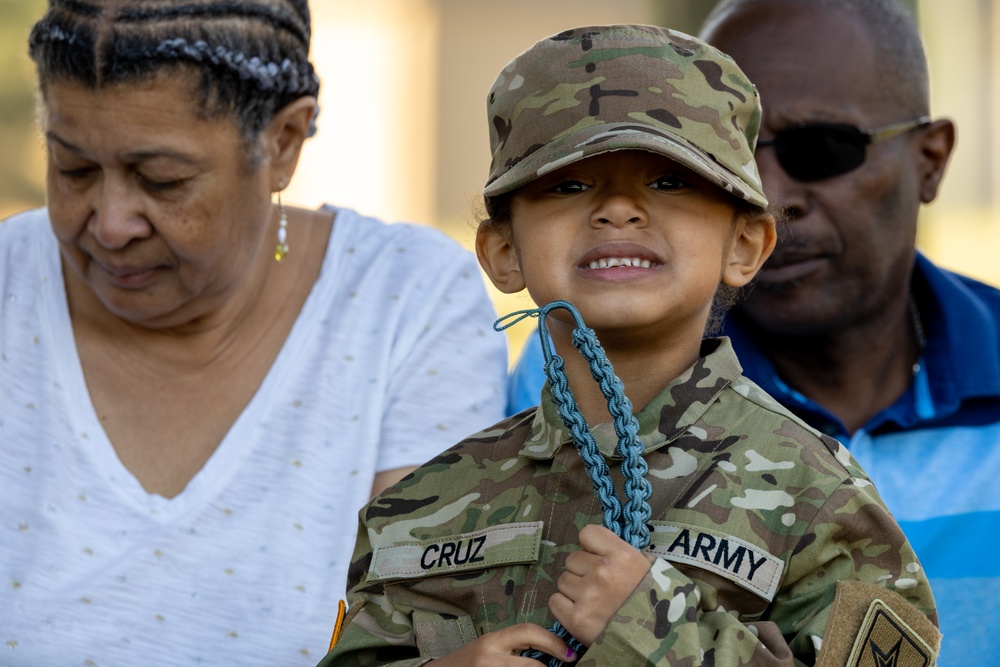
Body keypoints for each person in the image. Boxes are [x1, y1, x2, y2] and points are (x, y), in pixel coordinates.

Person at [320, 24, 942, 666]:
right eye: (568, 184)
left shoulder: (816, 498)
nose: (618, 209)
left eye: (670, 183)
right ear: (503, 253)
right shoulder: (427, 506)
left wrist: (653, 628)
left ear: (746, 245)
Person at [0, 1, 508, 665]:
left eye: (162, 180)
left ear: (284, 142)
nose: (112, 222)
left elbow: (416, 639)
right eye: (73, 169)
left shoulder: (405, 304)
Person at [509, 2, 1000, 662]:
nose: (765, 191)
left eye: (821, 150)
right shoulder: (576, 383)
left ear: (931, 159)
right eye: (723, 159)